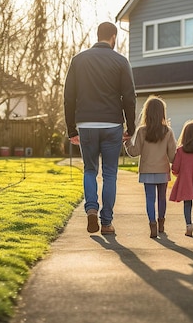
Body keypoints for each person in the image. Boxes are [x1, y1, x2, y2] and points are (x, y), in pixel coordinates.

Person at [64, 21, 136, 235]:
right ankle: (106, 223)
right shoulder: (121, 61)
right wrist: (130, 127)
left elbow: (69, 97)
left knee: (90, 169)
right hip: (112, 124)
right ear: (113, 36)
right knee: (110, 174)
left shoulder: (78, 60)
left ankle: (91, 209)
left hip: (86, 124)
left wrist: (71, 129)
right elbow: (129, 98)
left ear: (98, 36)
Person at [124, 96, 177, 238]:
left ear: (146, 113)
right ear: (162, 113)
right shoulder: (168, 131)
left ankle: (152, 224)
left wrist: (127, 142)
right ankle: (161, 224)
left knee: (150, 199)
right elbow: (173, 156)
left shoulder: (142, 131)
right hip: (163, 171)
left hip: (147, 171)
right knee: (161, 198)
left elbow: (134, 152)